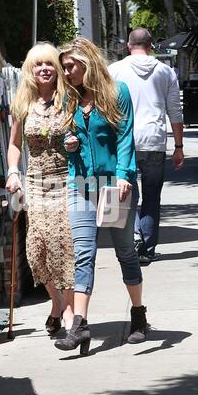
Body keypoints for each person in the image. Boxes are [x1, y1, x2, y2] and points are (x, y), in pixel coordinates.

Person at [54, 37, 147, 356]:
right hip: (80, 183)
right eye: (63, 67)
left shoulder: (116, 92)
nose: (66, 73)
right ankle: (79, 325)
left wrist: (123, 175)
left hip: (111, 185)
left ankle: (138, 314)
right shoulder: (68, 97)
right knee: (83, 252)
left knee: (124, 250)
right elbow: (66, 134)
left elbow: (125, 137)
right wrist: (66, 142)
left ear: (87, 63)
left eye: (70, 67)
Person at [6, 42, 75, 335]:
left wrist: (75, 143)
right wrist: (12, 171)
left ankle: (71, 313)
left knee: (65, 246)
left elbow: (83, 134)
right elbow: (14, 145)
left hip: (66, 180)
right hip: (35, 182)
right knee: (37, 249)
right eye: (38, 64)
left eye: (49, 64)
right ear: (30, 70)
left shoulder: (69, 100)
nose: (44, 69)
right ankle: (56, 301)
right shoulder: (23, 105)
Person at [108, 28, 184, 264]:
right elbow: (175, 111)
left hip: (122, 141)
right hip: (153, 139)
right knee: (152, 197)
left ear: (129, 46)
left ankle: (127, 245)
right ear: (151, 46)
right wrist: (179, 146)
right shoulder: (165, 72)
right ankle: (147, 249)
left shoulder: (114, 70)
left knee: (122, 195)